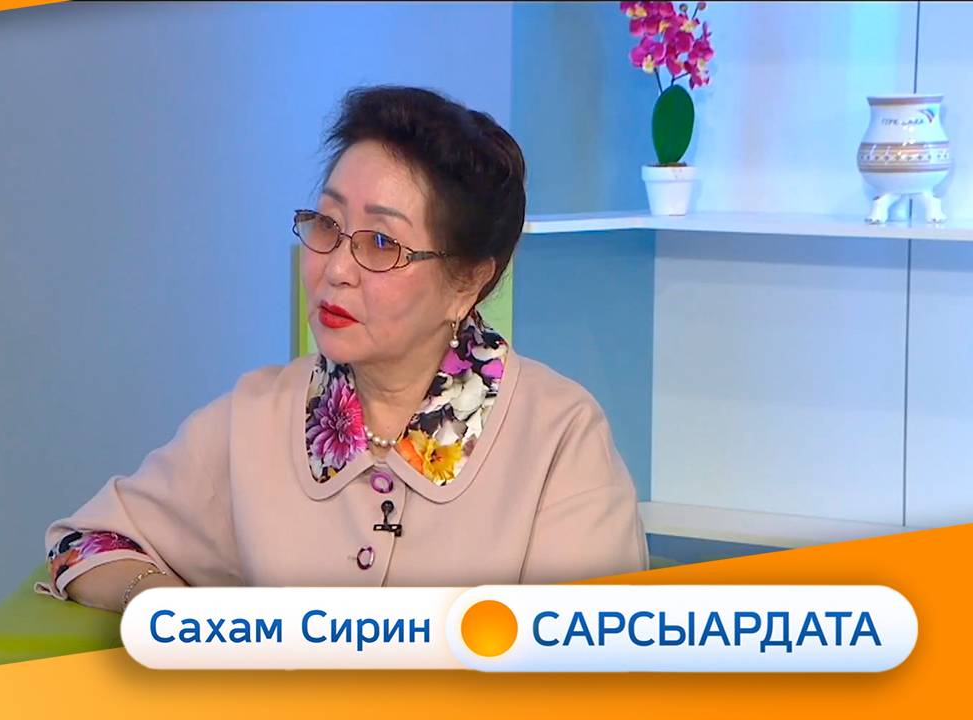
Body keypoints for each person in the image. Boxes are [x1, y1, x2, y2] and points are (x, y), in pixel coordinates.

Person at [36, 85, 648, 614]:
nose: (335, 269)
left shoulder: (559, 436)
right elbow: (87, 542)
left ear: (466, 282)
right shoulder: (257, 414)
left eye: (381, 243)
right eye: (328, 226)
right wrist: (175, 609)